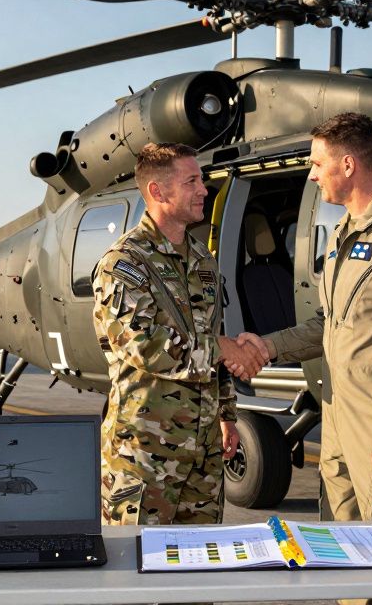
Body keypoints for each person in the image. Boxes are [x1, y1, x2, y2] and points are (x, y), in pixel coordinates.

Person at [235, 113, 372, 603]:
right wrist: (268, 347)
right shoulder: (344, 235)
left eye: (317, 163)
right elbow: (330, 327)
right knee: (343, 561)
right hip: (338, 425)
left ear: (349, 164)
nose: (311, 174)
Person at [93, 142, 265, 526]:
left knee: (198, 566)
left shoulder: (202, 261)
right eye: (191, 181)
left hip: (203, 455)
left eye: (201, 179)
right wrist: (221, 348)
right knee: (135, 570)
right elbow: (144, 345)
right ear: (157, 191)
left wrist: (226, 416)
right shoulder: (123, 263)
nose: (204, 189)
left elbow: (212, 339)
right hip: (143, 458)